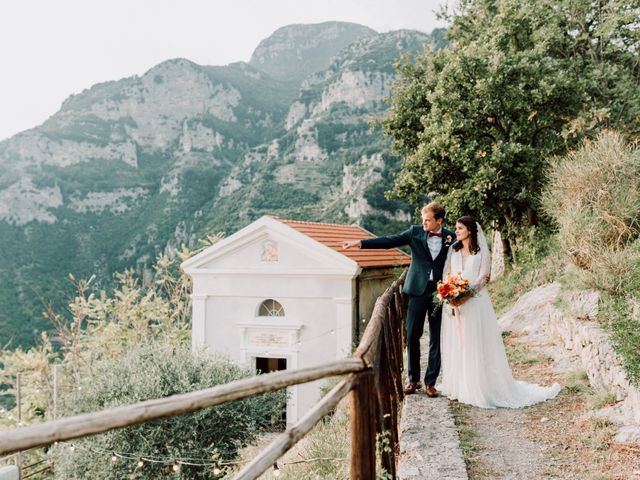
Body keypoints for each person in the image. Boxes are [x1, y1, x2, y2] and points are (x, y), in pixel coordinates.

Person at [438, 216, 561, 408]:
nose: (457, 231)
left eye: (460, 228)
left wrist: (466, 295)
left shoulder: (480, 252)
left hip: (474, 303)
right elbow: (446, 272)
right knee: (459, 343)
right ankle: (460, 385)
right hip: (454, 304)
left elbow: (484, 277)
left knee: (475, 342)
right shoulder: (453, 250)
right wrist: (449, 293)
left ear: (470, 230)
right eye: (456, 228)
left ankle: (479, 386)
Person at [343, 202, 455, 396]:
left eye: (428, 220)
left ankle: (431, 382)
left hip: (439, 291)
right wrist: (360, 243)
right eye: (423, 220)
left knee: (436, 337)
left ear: (439, 220)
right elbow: (388, 241)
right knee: (412, 334)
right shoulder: (415, 232)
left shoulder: (450, 237)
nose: (424, 223)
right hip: (417, 290)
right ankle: (413, 380)